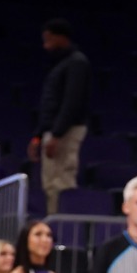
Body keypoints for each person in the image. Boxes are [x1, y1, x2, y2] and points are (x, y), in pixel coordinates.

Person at [30, 18, 91, 215]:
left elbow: (72, 102)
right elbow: (50, 105)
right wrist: (38, 136)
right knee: (50, 184)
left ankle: (62, 227)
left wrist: (57, 135)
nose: (45, 45)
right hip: (54, 130)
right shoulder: (60, 64)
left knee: (62, 182)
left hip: (66, 131)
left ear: (60, 38)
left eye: (48, 39)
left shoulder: (77, 63)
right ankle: (54, 224)